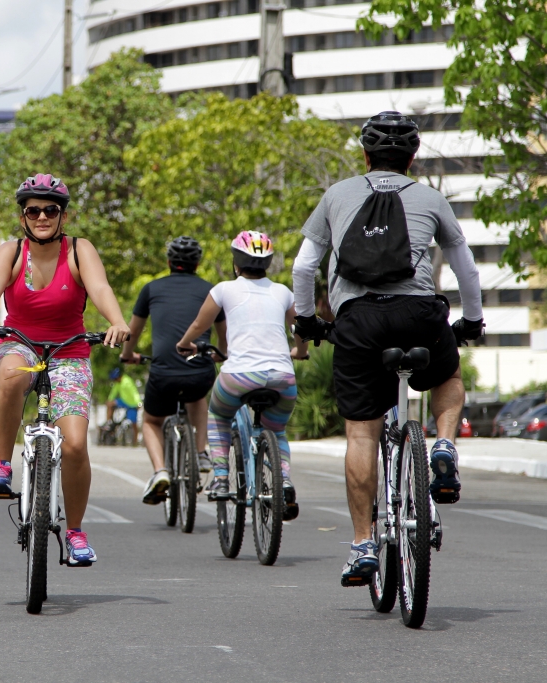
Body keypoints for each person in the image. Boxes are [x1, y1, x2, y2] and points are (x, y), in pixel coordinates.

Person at [290, 111, 484, 587]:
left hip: (358, 319)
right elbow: (467, 269)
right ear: (413, 157)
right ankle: (442, 446)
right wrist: (472, 321)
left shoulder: (336, 194)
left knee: (361, 435)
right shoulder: (431, 198)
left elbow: (302, 268)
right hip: (420, 314)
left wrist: (309, 320)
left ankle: (361, 547)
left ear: (365, 154)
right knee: (447, 377)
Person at [0, 173, 130, 567]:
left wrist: (118, 320)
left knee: (74, 443)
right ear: (23, 216)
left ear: (63, 216)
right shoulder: (11, 251)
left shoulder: (79, 250)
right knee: (13, 375)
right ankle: (3, 465)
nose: (42, 216)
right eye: (33, 210)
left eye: (50, 210)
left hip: (69, 352)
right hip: (18, 342)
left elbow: (102, 288)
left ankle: (75, 533)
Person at [177, 231, 308, 513]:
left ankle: (222, 479)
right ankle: (283, 480)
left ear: (236, 261)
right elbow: (300, 328)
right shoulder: (283, 292)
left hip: (238, 376)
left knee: (218, 416)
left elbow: (201, 324)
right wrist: (299, 350)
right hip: (281, 377)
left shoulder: (224, 289)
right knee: (278, 430)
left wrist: (185, 343)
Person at [119, 236, 225, 504]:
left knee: (152, 421)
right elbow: (224, 335)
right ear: (197, 264)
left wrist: (128, 355)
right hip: (200, 371)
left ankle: (160, 472)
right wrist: (220, 355)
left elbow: (133, 330)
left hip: (163, 373)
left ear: (169, 262)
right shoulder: (210, 290)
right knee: (197, 396)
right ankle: (201, 452)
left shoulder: (151, 289)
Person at [105, 367, 141, 446]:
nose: (115, 381)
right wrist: (109, 400)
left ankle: (135, 442)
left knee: (134, 423)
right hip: (123, 401)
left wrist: (138, 402)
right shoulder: (117, 383)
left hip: (132, 403)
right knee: (110, 404)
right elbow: (113, 393)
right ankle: (109, 422)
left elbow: (134, 392)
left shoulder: (127, 381)